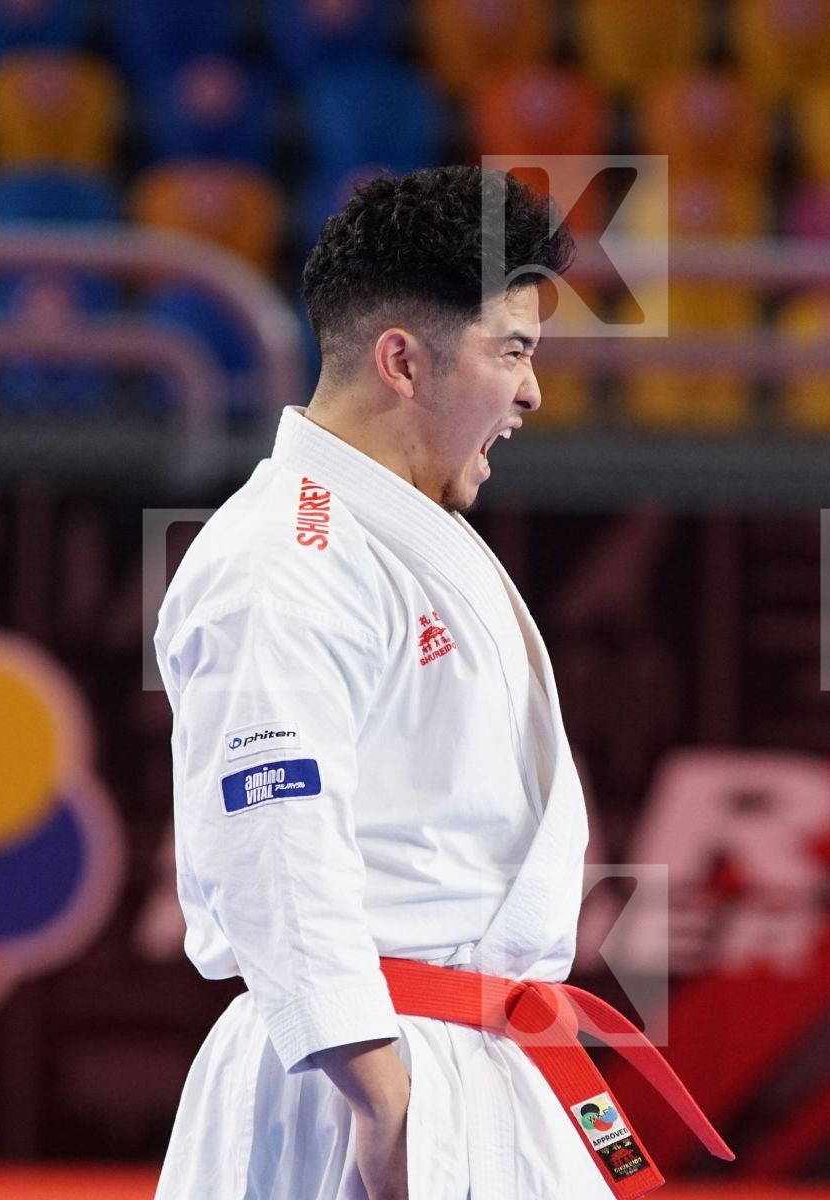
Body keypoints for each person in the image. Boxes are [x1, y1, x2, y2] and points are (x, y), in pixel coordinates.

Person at [152, 166, 728, 1200]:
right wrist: (377, 1090)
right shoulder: (288, 551)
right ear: (404, 360)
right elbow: (273, 829)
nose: (532, 392)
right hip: (363, 1074)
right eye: (513, 351)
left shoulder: (385, 531)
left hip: (467, 1051)